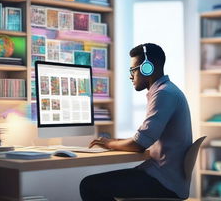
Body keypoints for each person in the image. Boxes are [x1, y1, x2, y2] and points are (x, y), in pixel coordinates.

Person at [80, 43, 193, 201]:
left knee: (89, 185)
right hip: (163, 175)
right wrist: (114, 141)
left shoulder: (164, 94)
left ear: (148, 68)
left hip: (164, 181)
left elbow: (139, 144)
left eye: (133, 70)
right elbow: (144, 138)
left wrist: (109, 144)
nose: (130, 76)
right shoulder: (166, 90)